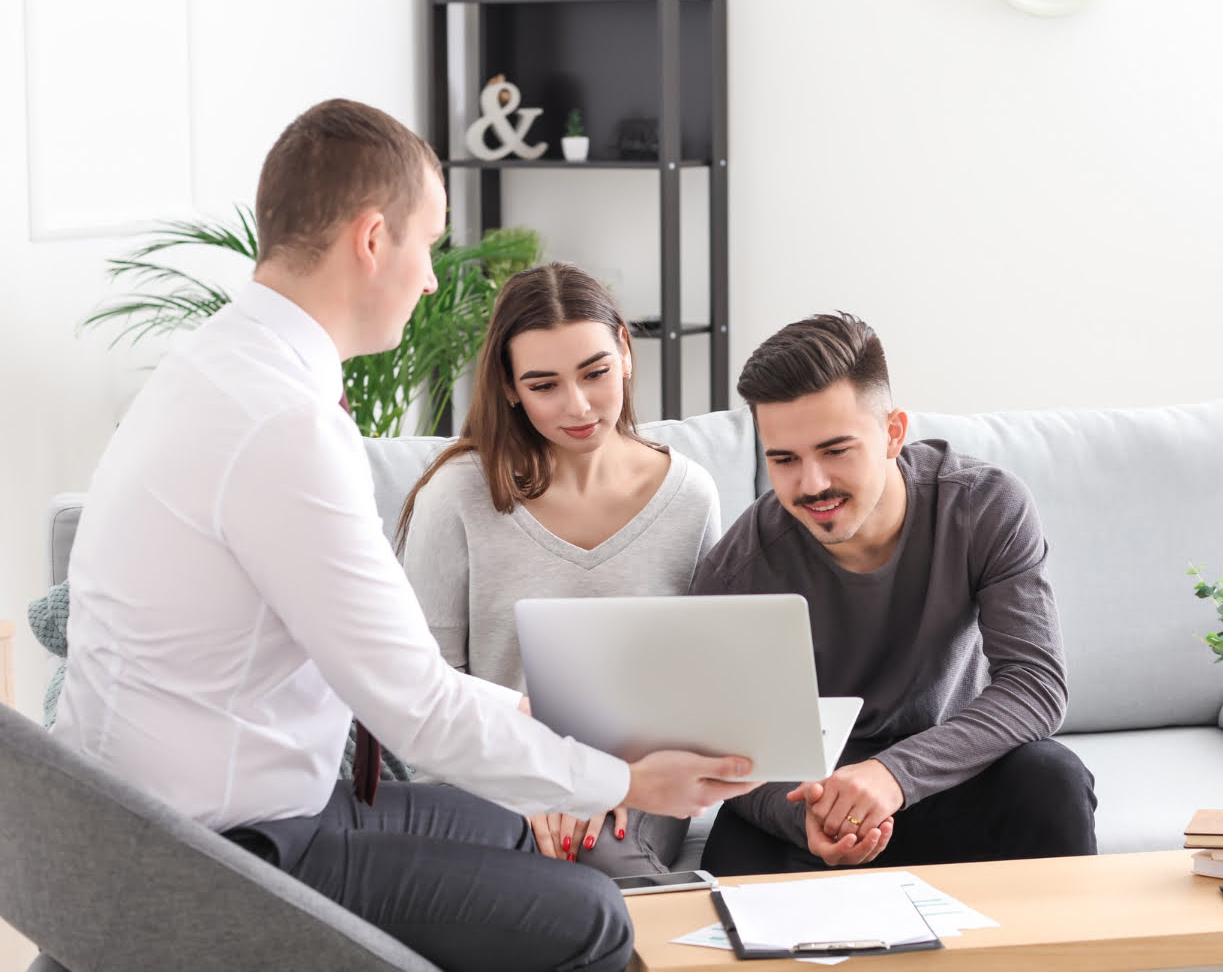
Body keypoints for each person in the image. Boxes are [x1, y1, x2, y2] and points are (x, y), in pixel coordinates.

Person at [50, 98, 758, 972]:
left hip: (170, 813)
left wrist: (569, 730)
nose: (431, 280)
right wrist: (629, 781)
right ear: (373, 238)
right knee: (592, 918)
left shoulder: (214, 369)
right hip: (215, 850)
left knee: (515, 833)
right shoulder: (281, 426)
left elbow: (393, 674)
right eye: (428, 245)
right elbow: (414, 704)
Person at [691, 312, 1098, 875]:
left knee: (1052, 779)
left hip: (949, 770)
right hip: (811, 797)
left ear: (893, 433)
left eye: (836, 450)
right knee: (720, 916)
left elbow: (1036, 686)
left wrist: (892, 775)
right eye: (784, 459)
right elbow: (717, 736)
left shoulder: (984, 506)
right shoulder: (743, 564)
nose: (811, 484)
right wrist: (801, 818)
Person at [396, 261, 721, 876]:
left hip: (639, 788)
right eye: (544, 385)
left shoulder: (690, 497)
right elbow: (427, 694)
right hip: (494, 781)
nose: (578, 406)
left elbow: (700, 685)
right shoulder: (456, 497)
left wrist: (604, 782)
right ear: (510, 387)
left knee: (602, 851)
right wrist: (539, 783)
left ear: (624, 351)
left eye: (595, 373)